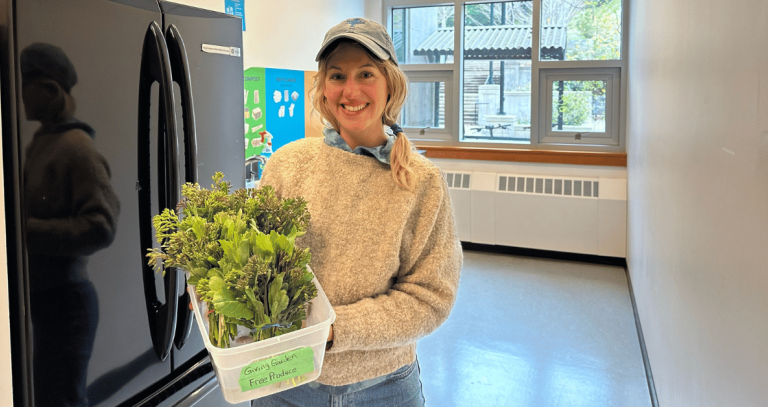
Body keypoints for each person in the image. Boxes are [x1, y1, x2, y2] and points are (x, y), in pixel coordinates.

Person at [253, 17, 462, 407]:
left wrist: (331, 329)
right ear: (324, 88)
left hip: (384, 388)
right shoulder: (287, 164)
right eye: (337, 76)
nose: (351, 90)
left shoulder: (421, 181)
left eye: (366, 73)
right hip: (285, 383)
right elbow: (256, 264)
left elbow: (430, 297)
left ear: (389, 84)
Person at [21, 42, 120, 407]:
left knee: (62, 398)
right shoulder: (39, 143)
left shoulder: (76, 147)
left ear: (47, 90)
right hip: (44, 300)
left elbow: (101, 225)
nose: (18, 95)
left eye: (23, 84)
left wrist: (24, 232)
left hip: (68, 305)